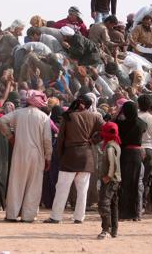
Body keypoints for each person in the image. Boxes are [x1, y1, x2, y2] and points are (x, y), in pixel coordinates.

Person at [44, 95, 104, 224]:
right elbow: (106, 129)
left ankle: (56, 216)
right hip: (86, 155)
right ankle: (79, 217)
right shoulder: (95, 116)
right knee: (82, 189)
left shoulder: (68, 116)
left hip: (70, 154)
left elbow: (60, 138)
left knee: (62, 187)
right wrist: (94, 140)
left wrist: (59, 155)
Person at [0, 90, 52, 222]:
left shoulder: (18, 113)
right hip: (37, 154)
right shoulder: (43, 117)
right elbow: (47, 140)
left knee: (16, 183)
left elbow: (1, 120)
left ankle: (11, 214)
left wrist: (10, 137)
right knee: (34, 185)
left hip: (19, 152)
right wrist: (48, 157)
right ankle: (28, 216)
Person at [115, 101, 147, 220]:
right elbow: (144, 127)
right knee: (136, 183)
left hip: (125, 154)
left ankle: (124, 212)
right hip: (137, 154)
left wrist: (118, 114)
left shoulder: (121, 123)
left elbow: (114, 122)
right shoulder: (142, 124)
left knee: (124, 183)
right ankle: (136, 213)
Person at [97, 122, 122, 239]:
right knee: (113, 205)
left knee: (104, 204)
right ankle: (114, 229)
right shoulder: (116, 144)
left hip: (110, 180)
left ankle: (106, 229)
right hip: (116, 180)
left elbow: (113, 164)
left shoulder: (110, 147)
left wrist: (108, 176)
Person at [137, 95, 152, 213]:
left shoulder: (135, 116)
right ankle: (142, 205)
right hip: (149, 150)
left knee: (135, 178)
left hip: (136, 149)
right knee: (146, 180)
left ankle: (135, 204)